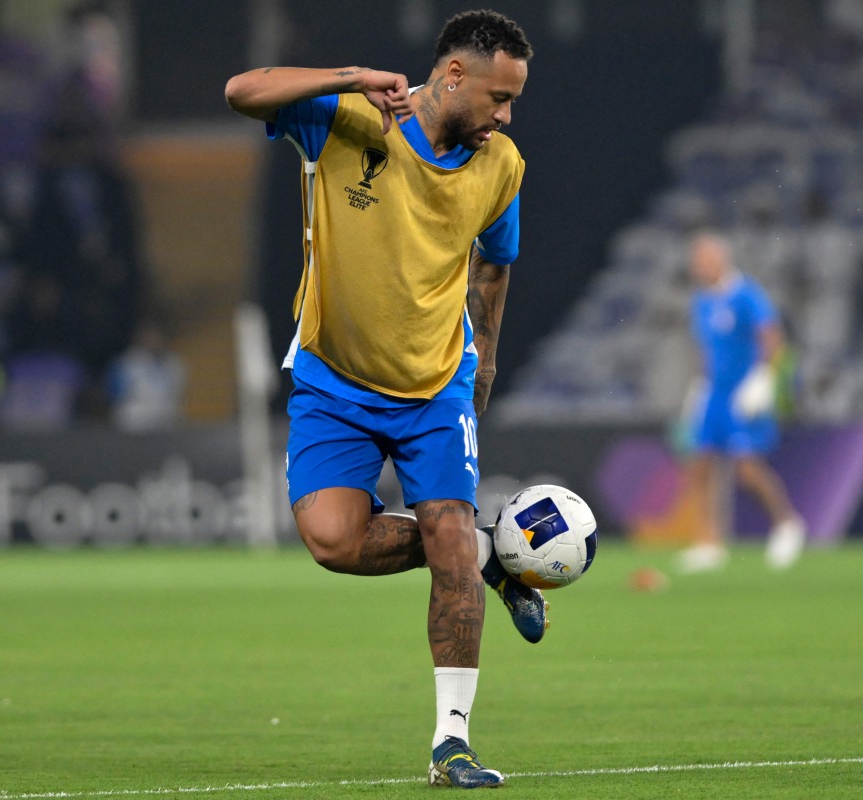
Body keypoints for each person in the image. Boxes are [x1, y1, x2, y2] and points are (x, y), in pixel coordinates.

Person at [225, 10, 540, 789]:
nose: (505, 117)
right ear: (454, 75)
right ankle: (492, 550)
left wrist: (487, 361)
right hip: (334, 376)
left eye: (514, 104)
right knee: (334, 541)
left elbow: (495, 265)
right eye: (499, 98)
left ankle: (452, 744)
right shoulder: (352, 120)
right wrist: (346, 77)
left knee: (445, 536)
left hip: (437, 380)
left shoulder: (501, 166)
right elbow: (241, 90)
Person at [678, 231, 807, 573]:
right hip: (715, 393)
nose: (697, 266)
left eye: (703, 259)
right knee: (700, 465)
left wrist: (764, 378)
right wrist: (700, 388)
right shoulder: (702, 301)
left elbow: (773, 338)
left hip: (744, 393)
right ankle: (709, 542)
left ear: (721, 260)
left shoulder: (747, 295)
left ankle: (787, 523)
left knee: (747, 469)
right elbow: (706, 350)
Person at [108, 320, 187, 432]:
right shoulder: (127, 362)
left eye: (156, 337)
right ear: (141, 339)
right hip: (135, 420)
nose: (153, 341)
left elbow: (178, 392)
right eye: (149, 337)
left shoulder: (174, 363)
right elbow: (116, 393)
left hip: (164, 419)